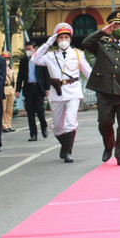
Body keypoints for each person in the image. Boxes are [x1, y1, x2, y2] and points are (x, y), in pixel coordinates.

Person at [84, 10, 120, 166]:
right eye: (116, 24)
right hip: (104, 90)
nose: (119, 27)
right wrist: (103, 31)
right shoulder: (102, 42)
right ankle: (109, 144)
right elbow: (85, 43)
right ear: (110, 26)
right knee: (105, 122)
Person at [31, 23, 93, 163]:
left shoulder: (78, 54)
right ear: (56, 40)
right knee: (58, 127)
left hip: (73, 91)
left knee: (70, 122)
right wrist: (48, 42)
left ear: (70, 39)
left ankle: (68, 152)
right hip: (57, 92)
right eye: (60, 38)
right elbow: (34, 59)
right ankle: (65, 146)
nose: (63, 40)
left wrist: (101, 87)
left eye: (66, 37)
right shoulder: (50, 55)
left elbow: (88, 72)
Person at [15, 41, 49, 141]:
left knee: (39, 110)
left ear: (35, 49)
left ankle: (44, 126)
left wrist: (47, 88)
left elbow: (46, 75)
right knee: (30, 113)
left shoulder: (41, 60)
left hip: (38, 88)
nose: (28, 51)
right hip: (28, 88)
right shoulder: (24, 61)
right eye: (26, 49)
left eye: (30, 49)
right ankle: (33, 134)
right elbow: (20, 77)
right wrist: (17, 90)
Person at [1, 52, 16, 133]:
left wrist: (15, 90)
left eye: (7, 59)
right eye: (5, 59)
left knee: (10, 109)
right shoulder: (0, 69)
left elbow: (14, 80)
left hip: (10, 90)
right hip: (4, 89)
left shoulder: (11, 69)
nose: (6, 61)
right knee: (3, 109)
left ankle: (9, 124)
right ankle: (4, 125)